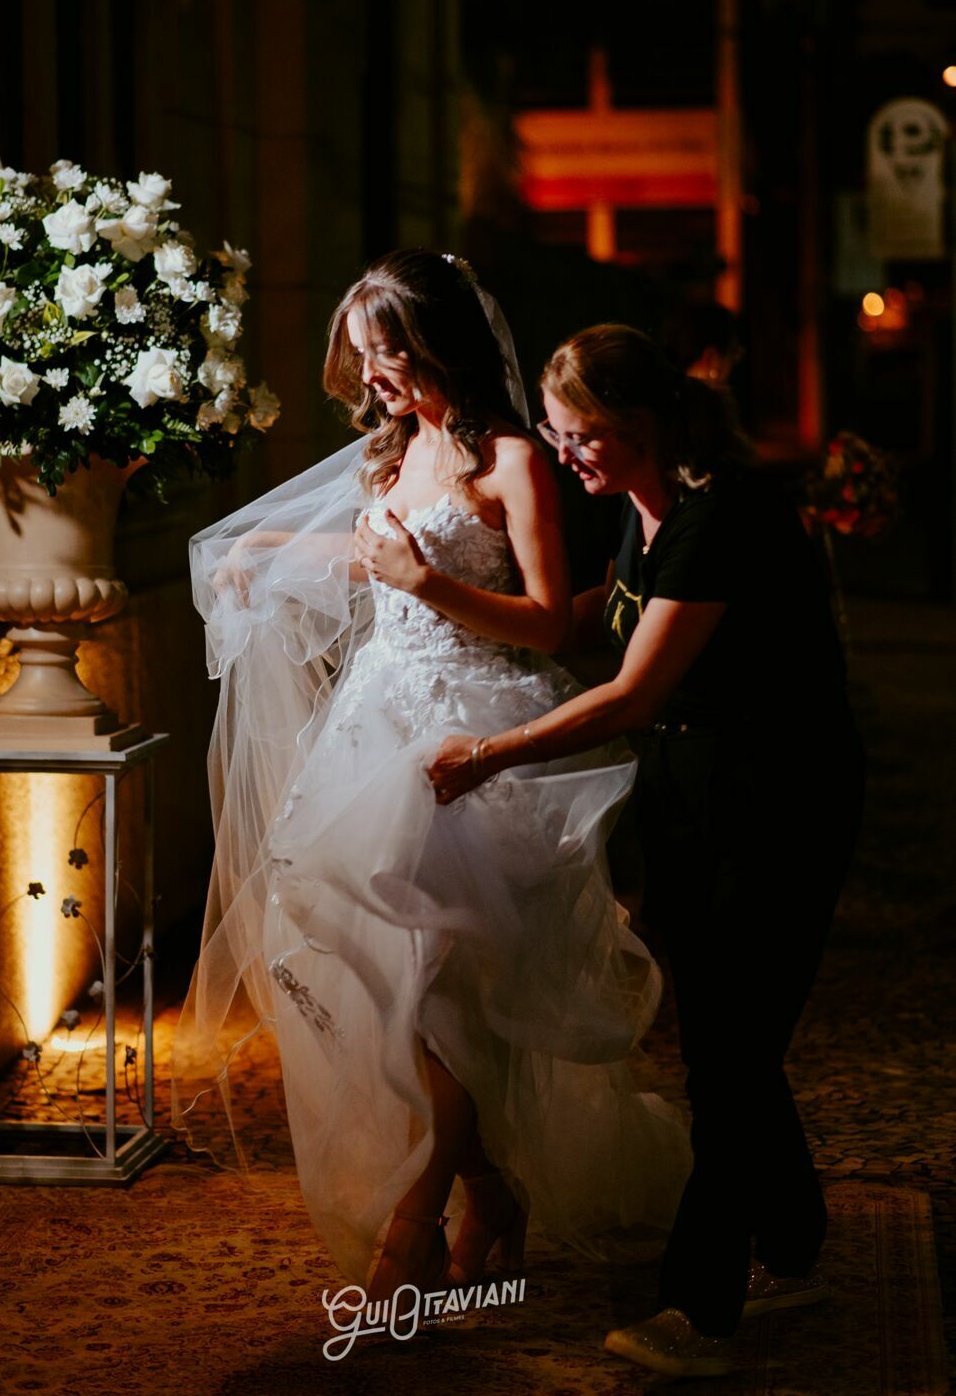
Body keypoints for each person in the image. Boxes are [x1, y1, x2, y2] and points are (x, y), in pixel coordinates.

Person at [171, 256, 690, 1305]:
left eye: (389, 354)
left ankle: (418, 1217)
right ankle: (490, 1195)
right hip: (375, 729)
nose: (374, 376)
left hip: (473, 740)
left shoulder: (512, 460)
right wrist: (262, 549)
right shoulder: (392, 453)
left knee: (448, 999)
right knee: (400, 1004)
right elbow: (365, 557)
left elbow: (548, 620)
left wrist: (430, 582)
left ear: (438, 343)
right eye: (362, 357)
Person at [427, 323, 865, 1378]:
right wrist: (496, 626)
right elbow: (606, 616)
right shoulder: (647, 505)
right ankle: (797, 1246)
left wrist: (488, 750)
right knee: (731, 1038)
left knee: (728, 1056)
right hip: (691, 805)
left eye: (581, 434)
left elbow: (634, 689)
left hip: (775, 810)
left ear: (644, 424)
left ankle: (701, 1309)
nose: (563, 452)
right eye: (554, 431)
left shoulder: (727, 516)